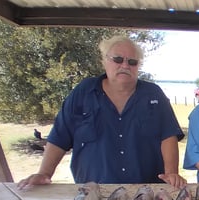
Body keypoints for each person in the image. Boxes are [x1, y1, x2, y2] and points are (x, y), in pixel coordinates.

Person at [17, 35, 186, 189]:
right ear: (104, 61)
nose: (125, 65)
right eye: (118, 59)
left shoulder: (153, 94)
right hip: (93, 193)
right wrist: (44, 173)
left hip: (145, 194)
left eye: (132, 62)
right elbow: (60, 136)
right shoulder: (83, 92)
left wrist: (171, 172)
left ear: (138, 66)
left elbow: (168, 136)